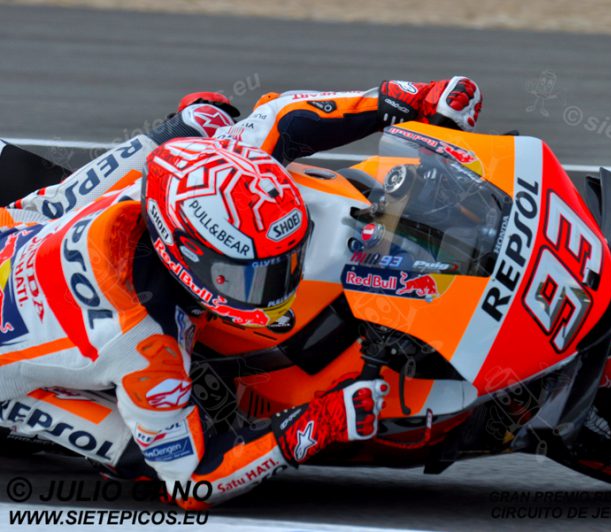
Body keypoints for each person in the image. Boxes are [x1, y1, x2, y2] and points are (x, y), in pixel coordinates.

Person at [0, 76, 483, 508]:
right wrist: (313, 426)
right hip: (24, 370)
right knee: (152, 464)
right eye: (252, 276)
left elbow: (279, 116)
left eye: (285, 263)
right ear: (183, 255)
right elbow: (194, 483)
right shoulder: (145, 349)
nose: (277, 287)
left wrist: (404, 100)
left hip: (24, 230)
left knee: (200, 121)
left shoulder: (188, 172)